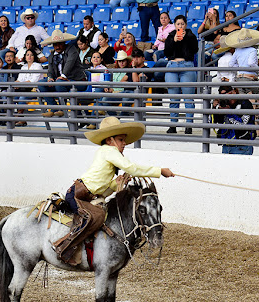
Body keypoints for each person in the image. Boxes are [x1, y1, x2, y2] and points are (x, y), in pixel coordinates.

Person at [52, 116, 174, 263]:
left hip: (84, 194)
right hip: (78, 195)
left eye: (124, 140)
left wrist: (116, 184)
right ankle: (64, 246)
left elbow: (103, 188)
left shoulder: (107, 152)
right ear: (110, 140)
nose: (124, 143)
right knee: (96, 217)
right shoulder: (109, 151)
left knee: (101, 215)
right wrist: (159, 171)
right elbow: (131, 168)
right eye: (121, 140)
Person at [38, 30, 88, 118]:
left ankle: (62, 108)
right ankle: (54, 108)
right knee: (42, 83)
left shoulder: (72, 49)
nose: (58, 46)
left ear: (64, 43)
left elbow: (70, 62)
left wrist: (63, 76)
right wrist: (50, 78)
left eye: (60, 43)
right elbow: (50, 70)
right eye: (55, 44)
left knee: (59, 83)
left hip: (78, 81)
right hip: (60, 81)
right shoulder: (52, 56)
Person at [164, 15, 198, 134]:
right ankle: (173, 125)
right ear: (174, 25)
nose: (180, 26)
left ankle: (189, 125)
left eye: (182, 24)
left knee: (188, 98)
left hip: (187, 66)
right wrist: (174, 41)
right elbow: (166, 52)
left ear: (186, 25)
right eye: (178, 24)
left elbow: (195, 50)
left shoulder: (191, 35)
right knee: (174, 98)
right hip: (172, 66)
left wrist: (186, 39)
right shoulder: (170, 36)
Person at [211, 85, 256, 155]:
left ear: (234, 92)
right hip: (226, 145)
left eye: (228, 94)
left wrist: (229, 112)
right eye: (223, 96)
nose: (226, 98)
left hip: (242, 145)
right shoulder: (223, 105)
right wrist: (214, 108)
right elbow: (211, 122)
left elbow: (243, 125)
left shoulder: (245, 104)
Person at [15, 48, 44, 127]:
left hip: (35, 90)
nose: (29, 56)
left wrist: (20, 84)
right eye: (27, 55)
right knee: (12, 95)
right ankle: (13, 117)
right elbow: (19, 80)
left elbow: (33, 81)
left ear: (34, 56)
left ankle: (19, 117)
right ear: (25, 57)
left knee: (22, 97)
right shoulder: (23, 67)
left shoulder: (38, 66)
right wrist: (14, 84)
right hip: (24, 89)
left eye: (31, 55)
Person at [97, 50, 130, 116]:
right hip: (113, 92)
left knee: (105, 99)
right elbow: (110, 81)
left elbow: (125, 86)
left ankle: (111, 115)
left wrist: (113, 88)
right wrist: (107, 87)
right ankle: (113, 115)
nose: (121, 63)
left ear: (127, 61)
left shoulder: (129, 71)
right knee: (101, 92)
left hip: (121, 92)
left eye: (123, 61)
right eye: (120, 61)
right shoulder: (115, 71)